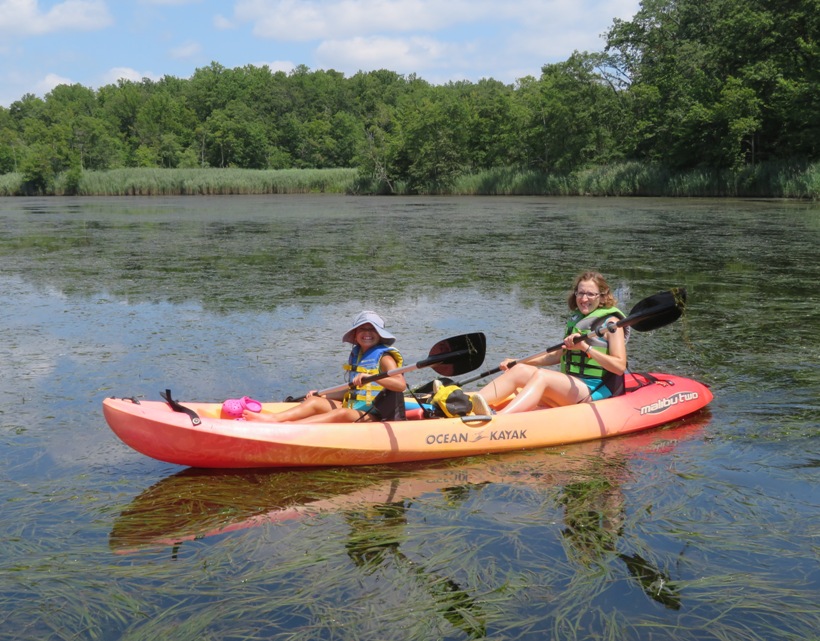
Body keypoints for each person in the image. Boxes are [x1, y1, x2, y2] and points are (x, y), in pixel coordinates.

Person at [473, 271, 628, 414]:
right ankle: (466, 405)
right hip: (572, 386)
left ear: (601, 296)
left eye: (590, 294)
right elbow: (556, 356)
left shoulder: (612, 324)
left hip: (594, 389)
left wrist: (586, 348)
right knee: (519, 369)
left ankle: (499, 418)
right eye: (580, 293)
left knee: (543, 376)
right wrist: (517, 362)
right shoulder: (578, 320)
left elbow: (620, 367)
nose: (584, 299)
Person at [243, 311, 407, 423]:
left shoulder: (384, 357)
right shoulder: (358, 355)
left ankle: (289, 428)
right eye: (363, 329)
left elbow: (400, 385)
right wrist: (324, 395)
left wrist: (374, 378)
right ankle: (273, 419)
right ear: (355, 335)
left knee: (341, 413)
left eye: (373, 330)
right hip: (354, 406)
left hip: (374, 413)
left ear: (380, 335)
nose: (367, 333)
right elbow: (351, 390)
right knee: (315, 401)